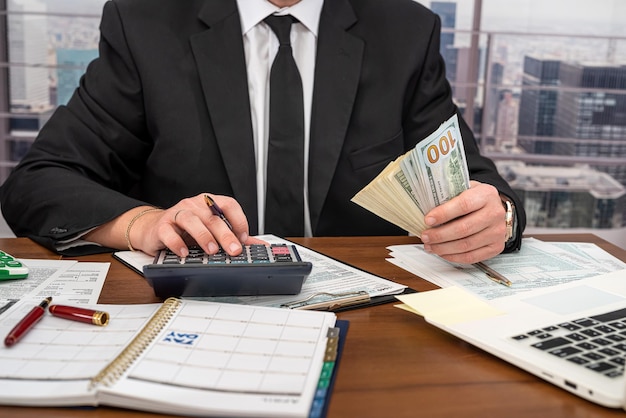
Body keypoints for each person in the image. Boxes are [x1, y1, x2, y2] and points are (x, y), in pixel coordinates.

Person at [0, 0, 525, 264]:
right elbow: (40, 182)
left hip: (371, 316)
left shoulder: (404, 29)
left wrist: (496, 215)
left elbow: (473, 181)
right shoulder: (146, 23)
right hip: (192, 310)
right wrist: (146, 223)